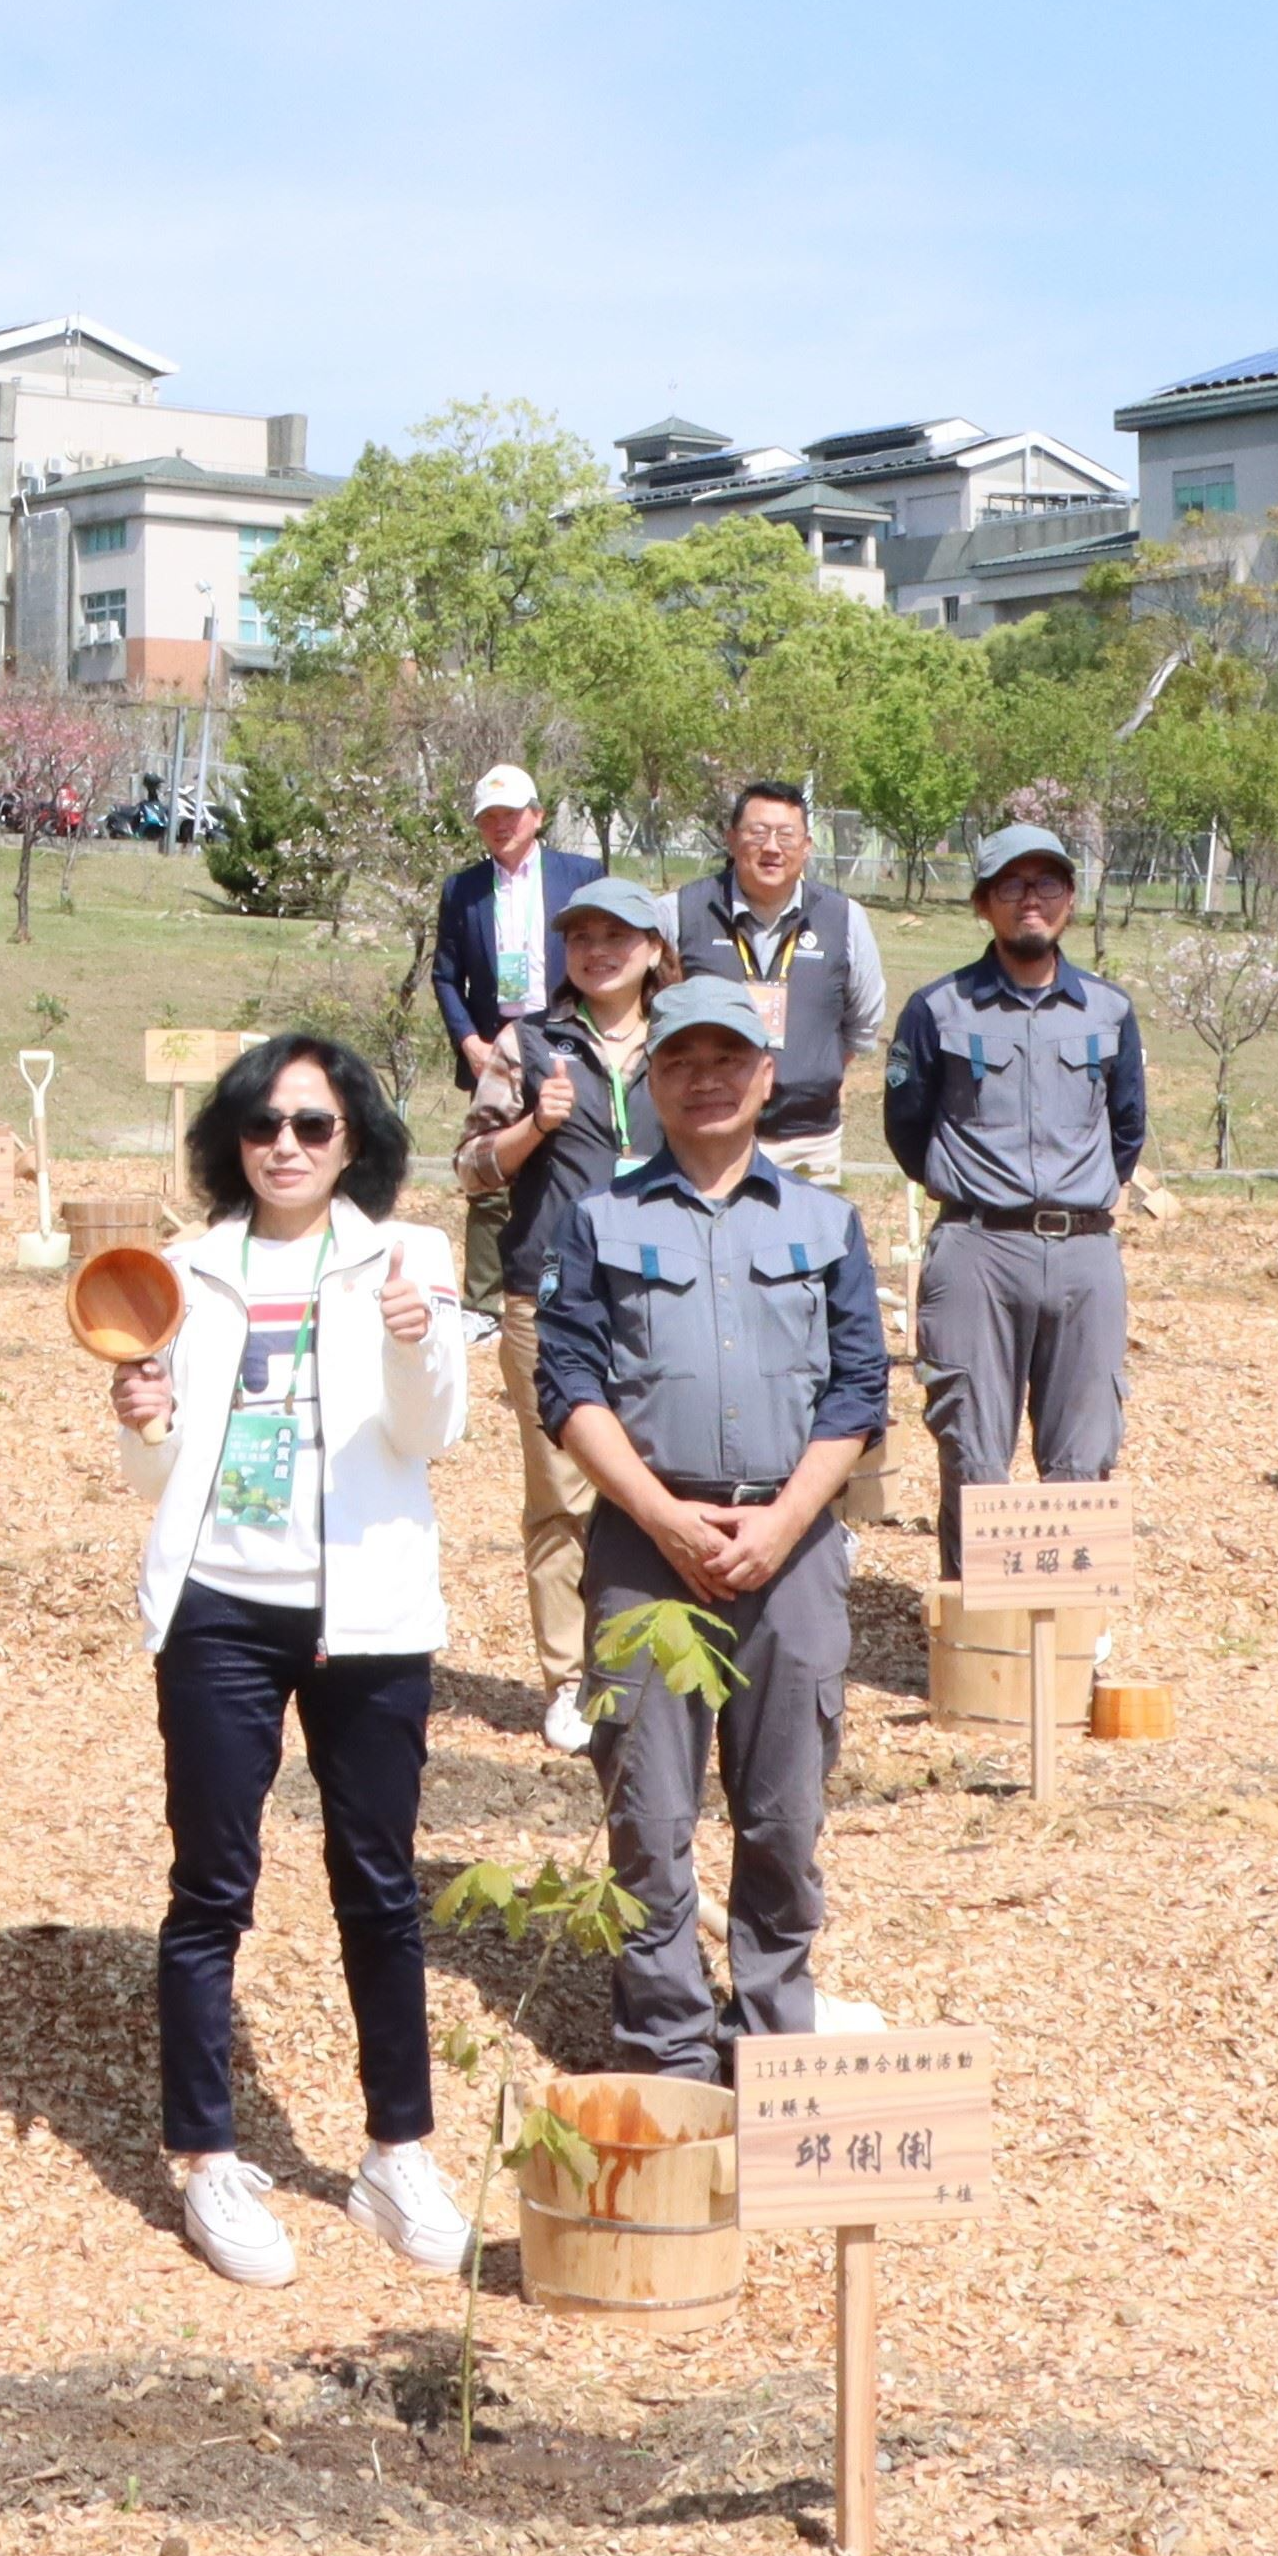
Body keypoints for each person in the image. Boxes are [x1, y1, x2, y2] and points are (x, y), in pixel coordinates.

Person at [103, 1033, 476, 2289]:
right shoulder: (185, 1270)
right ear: (232, 1140)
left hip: (367, 1607)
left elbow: (434, 1434)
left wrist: (419, 1341)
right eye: (264, 1124)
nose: (286, 1146)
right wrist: (143, 1426)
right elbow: (159, 1477)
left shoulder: (403, 1257)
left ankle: (395, 2150)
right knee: (212, 1884)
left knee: (377, 1884)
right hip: (220, 1608)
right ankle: (206, 2158)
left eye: (313, 1127)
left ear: (353, 1142)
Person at [530, 981, 893, 2070]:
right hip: (648, 1550)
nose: (705, 1078)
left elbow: (859, 1392)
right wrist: (663, 1518)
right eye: (681, 1058)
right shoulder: (600, 1217)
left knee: (783, 1811)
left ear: (765, 1075)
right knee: (646, 1810)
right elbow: (567, 1383)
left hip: (793, 1551)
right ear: (652, 1078)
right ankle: (669, 2043)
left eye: (727, 1058)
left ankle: (775, 2024)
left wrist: (782, 1525)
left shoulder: (827, 1224)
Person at [885, 822, 1147, 1577]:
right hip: (977, 1249)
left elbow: (1125, 1127)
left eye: (1047, 885)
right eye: (1011, 886)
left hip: (1084, 1252)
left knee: (1085, 1452)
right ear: (982, 904)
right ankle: (979, 1648)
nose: (1030, 900)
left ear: (1069, 899)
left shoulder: (1108, 1010)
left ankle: (1066, 1646)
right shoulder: (937, 1009)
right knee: (972, 1451)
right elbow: (908, 1126)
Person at [456, 874, 672, 1749]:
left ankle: (660, 1659)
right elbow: (471, 1169)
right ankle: (569, 1677)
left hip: (666, 1296)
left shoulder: (689, 1036)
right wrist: (532, 1128)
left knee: (667, 1477)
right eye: (581, 937)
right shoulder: (530, 1042)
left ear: (653, 950)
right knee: (560, 1495)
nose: (597, 951)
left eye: (617, 936)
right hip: (548, 1297)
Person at [668, 782, 891, 1181]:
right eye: (758, 832)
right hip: (705, 1132)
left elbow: (863, 1023)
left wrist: (810, 1068)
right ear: (732, 839)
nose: (772, 848)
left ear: (806, 847)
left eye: (786, 835)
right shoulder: (679, 913)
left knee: (806, 1245)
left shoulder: (844, 918)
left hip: (807, 1137)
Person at [426, 764, 604, 1100]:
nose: (500, 825)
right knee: (498, 1149)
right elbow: (445, 977)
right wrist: (470, 1042)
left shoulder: (582, 876)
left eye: (510, 813)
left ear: (538, 816)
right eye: (488, 817)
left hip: (569, 1036)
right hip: (495, 1048)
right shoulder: (463, 889)